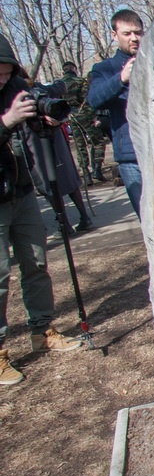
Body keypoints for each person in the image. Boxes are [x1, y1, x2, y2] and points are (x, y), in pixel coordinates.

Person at [0, 33, 84, 386]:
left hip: (20, 190)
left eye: (7, 72)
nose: (3, 79)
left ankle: (43, 329)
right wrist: (6, 121)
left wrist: (44, 119)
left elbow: (40, 115)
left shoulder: (17, 86)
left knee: (36, 262)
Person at [88, 9, 145, 218]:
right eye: (127, 33)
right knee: (148, 220)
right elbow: (94, 100)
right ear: (114, 35)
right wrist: (121, 79)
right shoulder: (105, 69)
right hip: (131, 157)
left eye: (138, 33)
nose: (134, 38)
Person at [60, 61, 106, 186]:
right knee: (98, 142)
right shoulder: (81, 81)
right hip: (84, 115)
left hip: (71, 117)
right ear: (74, 69)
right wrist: (92, 116)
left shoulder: (59, 84)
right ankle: (97, 169)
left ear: (64, 70)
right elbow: (88, 99)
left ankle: (86, 174)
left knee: (80, 145)